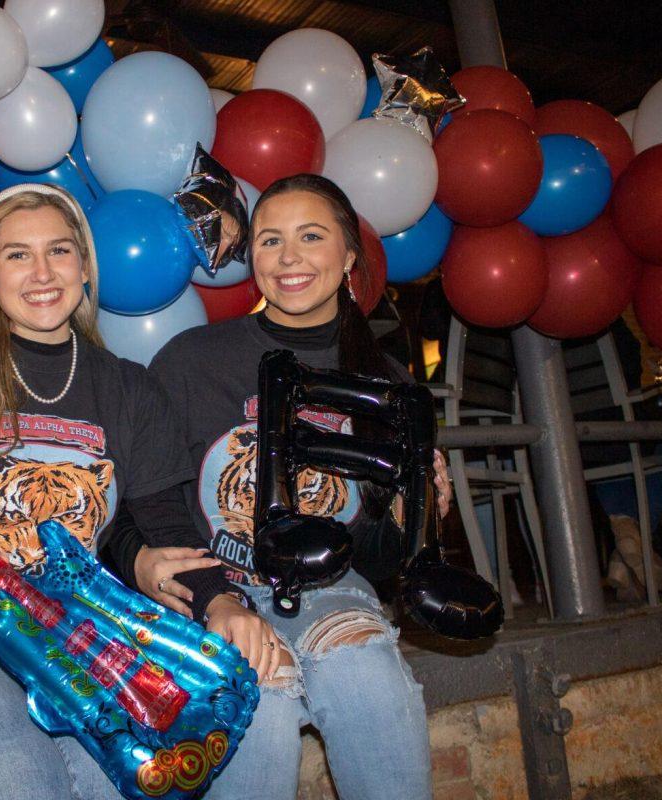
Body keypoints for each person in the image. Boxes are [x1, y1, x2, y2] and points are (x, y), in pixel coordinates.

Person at [0, 183, 273, 800]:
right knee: (20, 780)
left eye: (59, 251)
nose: (43, 272)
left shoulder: (129, 388)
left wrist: (221, 603)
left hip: (76, 629)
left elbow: (168, 528)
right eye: (18, 255)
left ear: (84, 267)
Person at [106, 174, 453, 800]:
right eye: (270, 240)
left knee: (367, 674)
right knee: (258, 706)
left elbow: (375, 562)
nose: (289, 257)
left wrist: (410, 517)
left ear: (348, 256)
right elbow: (133, 506)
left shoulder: (387, 384)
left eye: (311, 237)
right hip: (207, 591)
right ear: (252, 258)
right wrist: (147, 566)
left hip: (328, 592)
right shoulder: (191, 360)